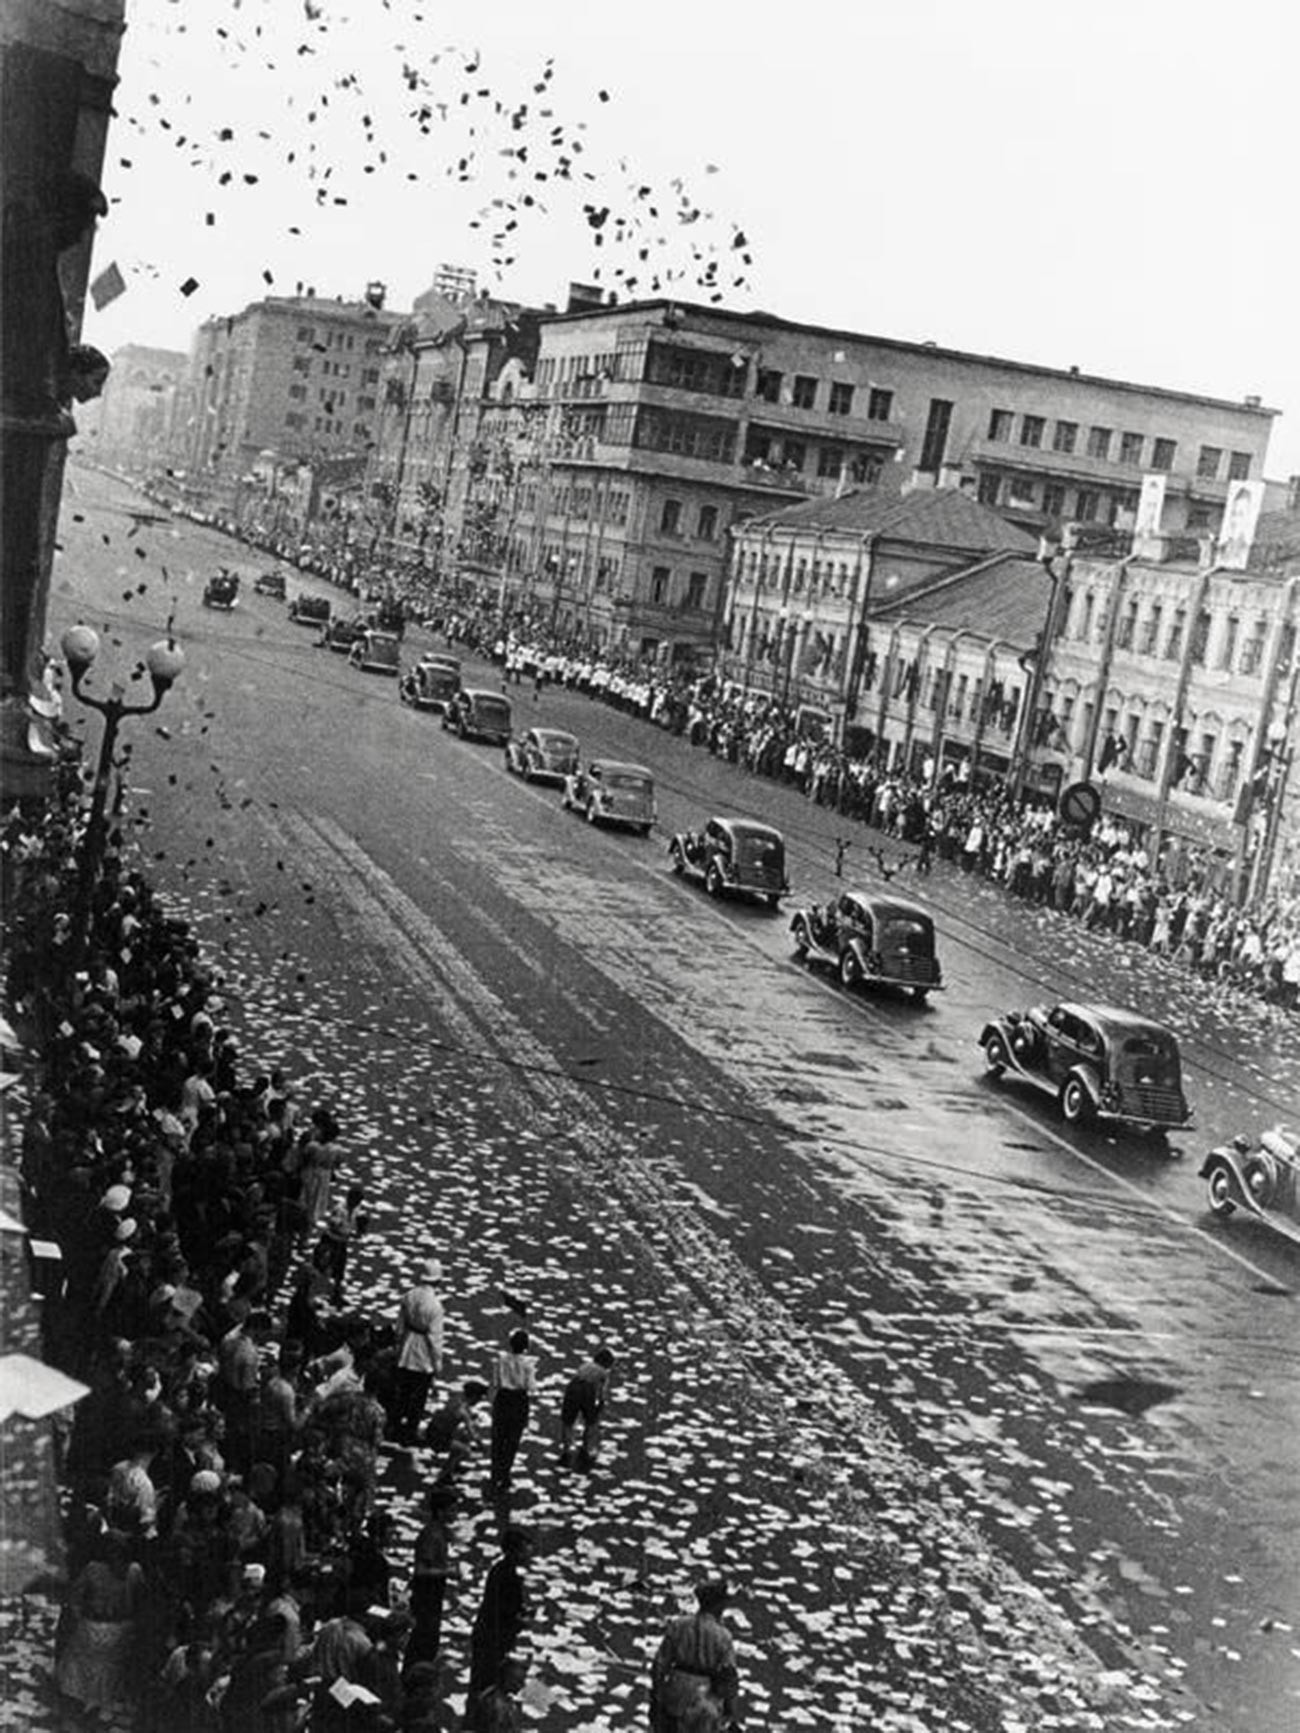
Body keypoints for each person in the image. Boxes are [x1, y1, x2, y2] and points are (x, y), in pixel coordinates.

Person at [649, 1579, 741, 1732]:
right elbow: (729, 1677)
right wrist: (730, 1710)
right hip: (706, 1701)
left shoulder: (679, 1625)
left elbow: (659, 1665)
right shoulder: (723, 1636)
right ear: (718, 1605)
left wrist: (657, 1694)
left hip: (674, 1694)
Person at [468, 1528, 532, 1697]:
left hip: (492, 1636)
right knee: (485, 1683)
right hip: (491, 1638)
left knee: (485, 1681)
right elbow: (501, 1610)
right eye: (525, 1550)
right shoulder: (505, 1574)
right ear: (515, 1551)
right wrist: (519, 1620)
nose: (528, 1554)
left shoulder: (502, 1570)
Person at [391, 1260, 445, 1446]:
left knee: (403, 1392)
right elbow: (435, 1339)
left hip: (407, 1346)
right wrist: (437, 1363)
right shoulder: (435, 1306)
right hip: (422, 1354)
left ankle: (395, 1425)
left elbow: (399, 1326)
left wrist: (399, 1344)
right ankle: (410, 1431)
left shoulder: (409, 1296)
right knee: (419, 1396)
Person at [488, 1327, 536, 1494]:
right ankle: (505, 1472)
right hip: (519, 1401)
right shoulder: (528, 1364)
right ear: (525, 1347)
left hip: (503, 1399)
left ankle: (495, 1471)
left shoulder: (500, 1360)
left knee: (498, 1437)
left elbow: (495, 1382)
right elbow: (531, 1387)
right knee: (513, 1439)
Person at [558, 1347, 615, 1470]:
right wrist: (601, 1404)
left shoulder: (586, 1365)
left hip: (573, 1387)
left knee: (568, 1419)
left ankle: (566, 1447)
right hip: (587, 1390)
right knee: (590, 1420)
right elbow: (601, 1393)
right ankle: (585, 1446)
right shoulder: (603, 1373)